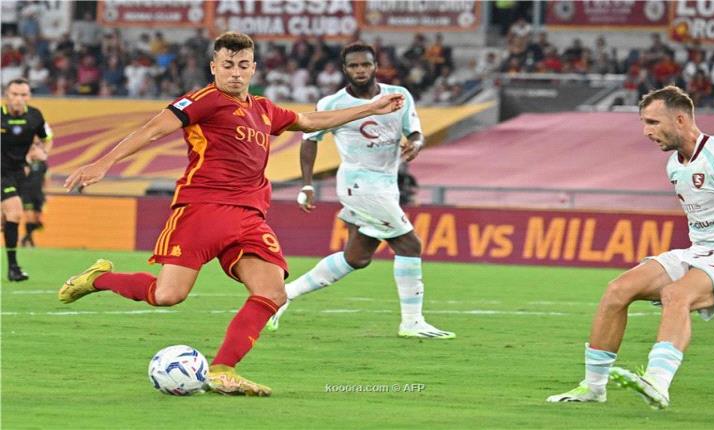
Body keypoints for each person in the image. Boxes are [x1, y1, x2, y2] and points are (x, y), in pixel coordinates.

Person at [57, 32, 405, 397]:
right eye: (227, 65)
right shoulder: (205, 100)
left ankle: (223, 370)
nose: (235, 73)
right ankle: (98, 279)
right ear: (214, 67)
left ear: (253, 68)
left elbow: (308, 120)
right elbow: (154, 129)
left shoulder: (263, 109)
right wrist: (104, 162)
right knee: (168, 295)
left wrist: (370, 108)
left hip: (249, 216)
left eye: (242, 65)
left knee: (272, 293)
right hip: (202, 210)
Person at [547, 86, 714, 409]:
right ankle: (593, 388)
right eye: (644, 123)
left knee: (676, 295)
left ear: (680, 119)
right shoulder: (675, 164)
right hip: (700, 251)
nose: (646, 131)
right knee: (618, 290)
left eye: (653, 122)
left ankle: (657, 381)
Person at [265, 42, 454, 340]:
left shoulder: (399, 96)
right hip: (360, 185)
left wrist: (416, 144)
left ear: (375, 66)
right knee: (409, 245)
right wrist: (307, 184)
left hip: (387, 184)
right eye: (354, 66)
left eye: (365, 64)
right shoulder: (332, 104)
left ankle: (282, 296)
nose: (360, 70)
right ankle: (412, 322)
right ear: (345, 70)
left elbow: (415, 132)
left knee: (357, 257)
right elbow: (309, 140)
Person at [1, 78, 53, 281]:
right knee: (15, 212)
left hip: (18, 173)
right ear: (6, 95)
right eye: (15, 94)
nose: (19, 99)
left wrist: (42, 153)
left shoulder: (35, 116)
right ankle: (13, 268)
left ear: (29, 96)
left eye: (23, 95)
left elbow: (47, 138)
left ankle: (13, 268)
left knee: (6, 220)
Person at [19, 141, 51, 247]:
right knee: (29, 217)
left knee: (37, 220)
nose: (34, 151)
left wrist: (47, 193)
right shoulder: (25, 162)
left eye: (35, 149)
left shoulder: (43, 164)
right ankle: (30, 241)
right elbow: (22, 175)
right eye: (32, 149)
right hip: (26, 193)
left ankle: (25, 238)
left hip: (38, 194)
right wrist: (27, 160)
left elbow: (46, 179)